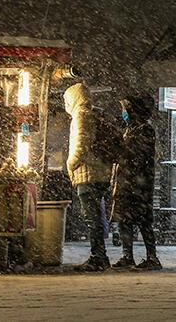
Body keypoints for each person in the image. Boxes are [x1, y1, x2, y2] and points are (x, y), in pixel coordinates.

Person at [64, 83, 112, 272]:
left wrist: (70, 164)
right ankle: (100, 255)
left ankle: (98, 256)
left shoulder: (81, 115)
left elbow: (81, 144)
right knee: (96, 217)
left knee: (91, 217)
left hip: (88, 173)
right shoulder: (92, 113)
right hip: (97, 173)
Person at [112, 95, 161, 271]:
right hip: (131, 182)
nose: (123, 112)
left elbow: (137, 156)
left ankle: (151, 257)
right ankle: (128, 255)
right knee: (126, 219)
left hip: (136, 183)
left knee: (142, 220)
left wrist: (121, 150)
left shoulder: (143, 130)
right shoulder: (132, 129)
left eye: (125, 109)